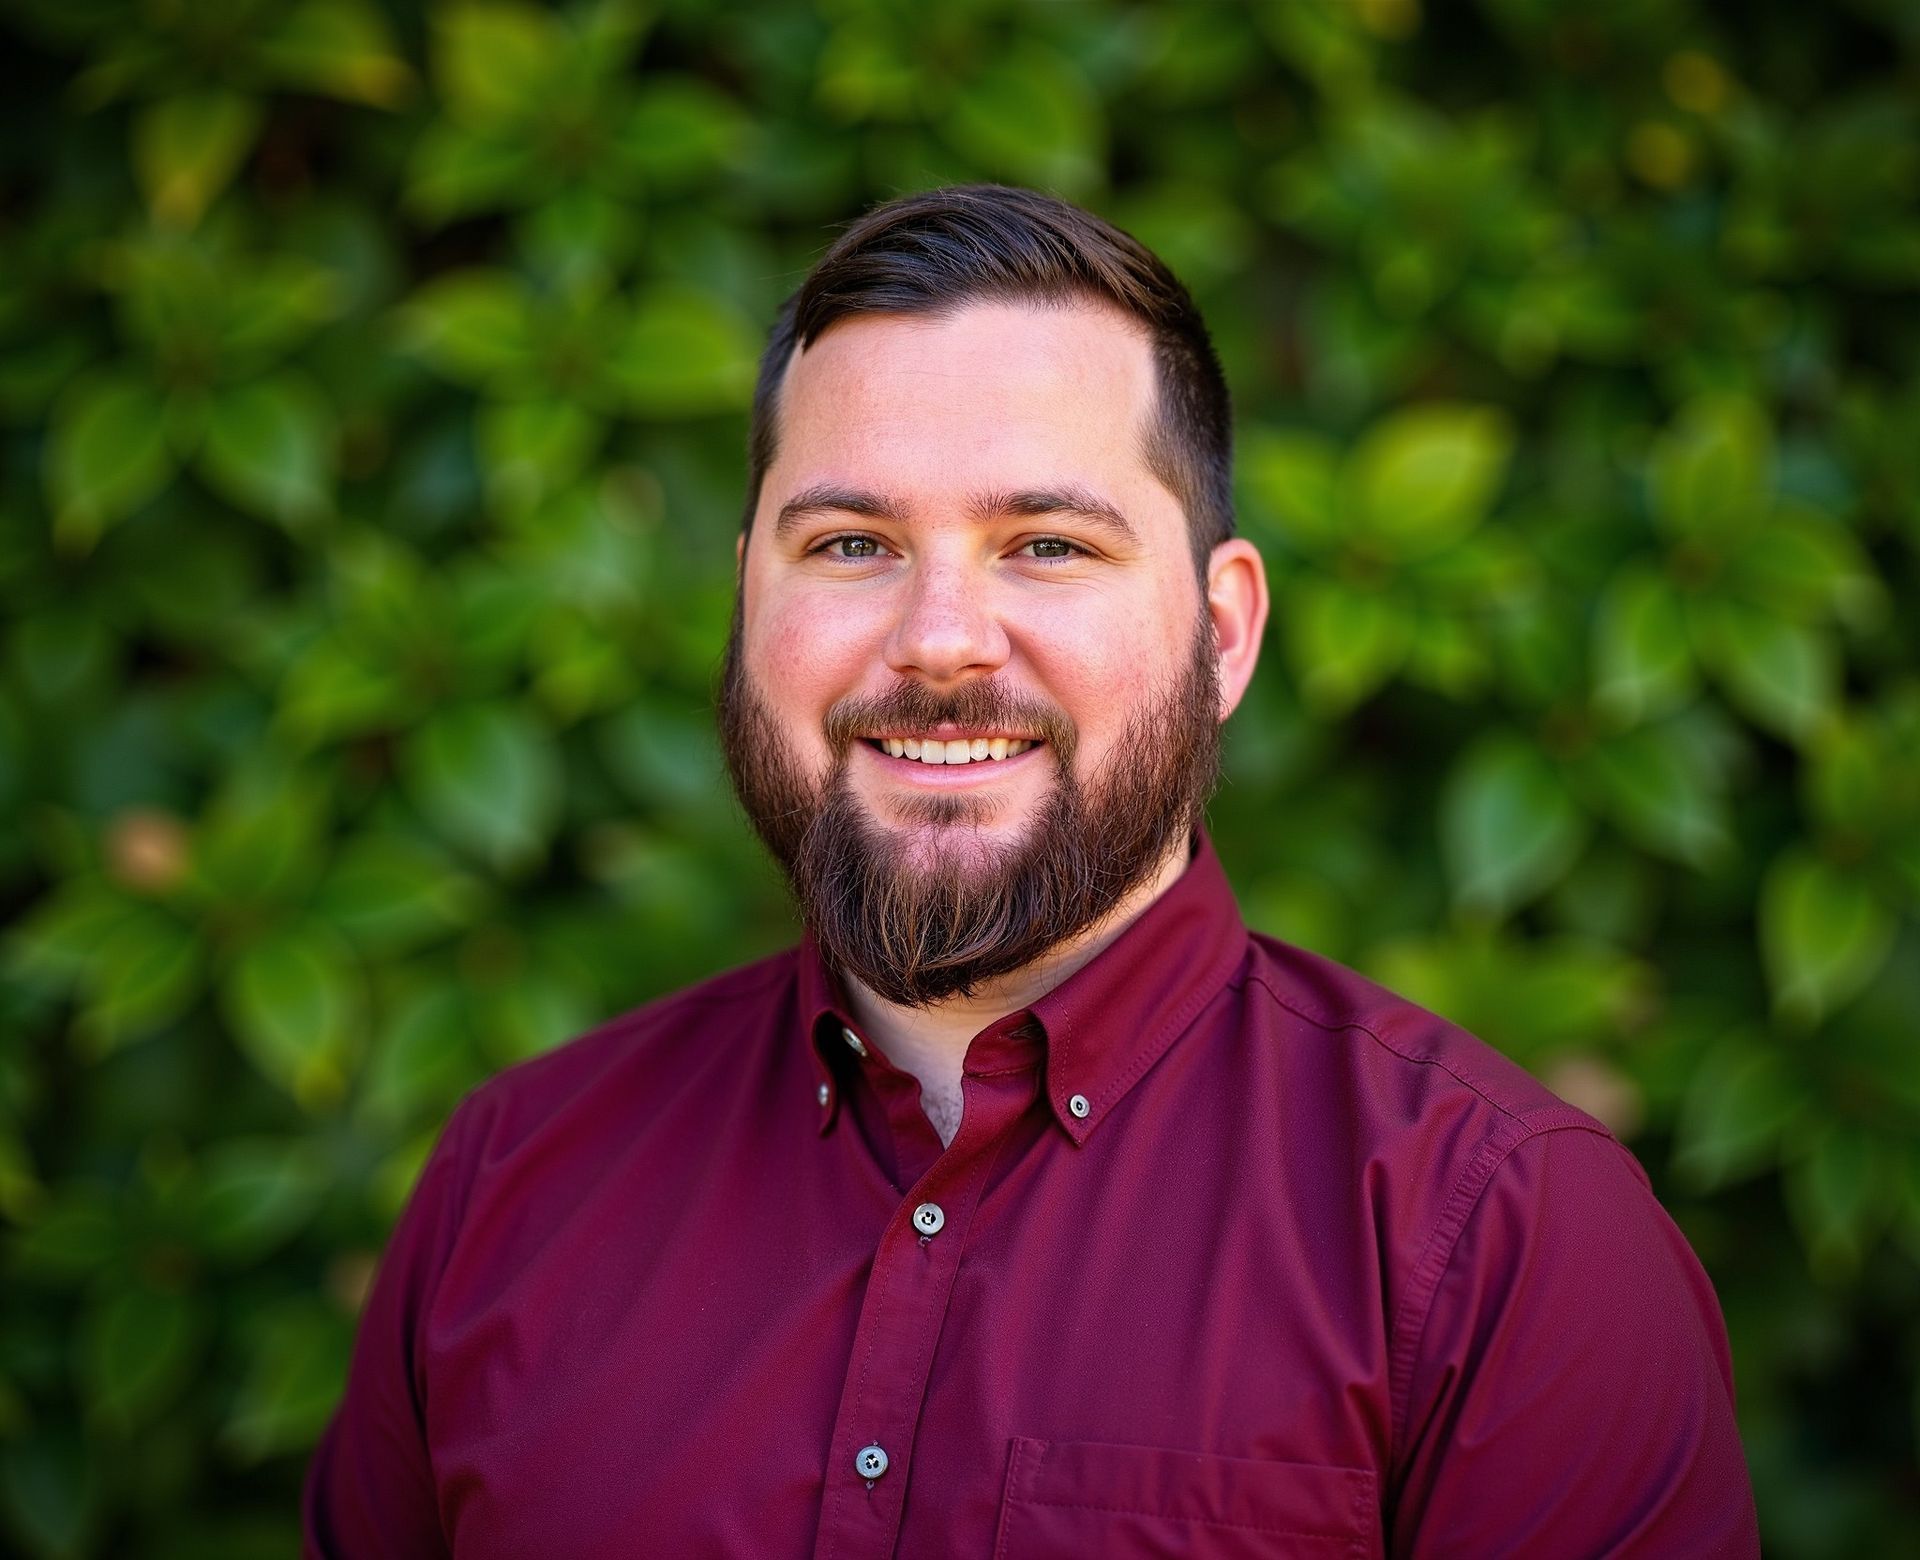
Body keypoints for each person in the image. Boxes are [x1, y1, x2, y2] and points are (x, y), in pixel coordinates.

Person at [303, 184, 1760, 1557]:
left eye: (1047, 544)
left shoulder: (1505, 1246)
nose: (941, 639)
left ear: (1225, 632)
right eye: (854, 541)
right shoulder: (511, 1184)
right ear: (747, 595)